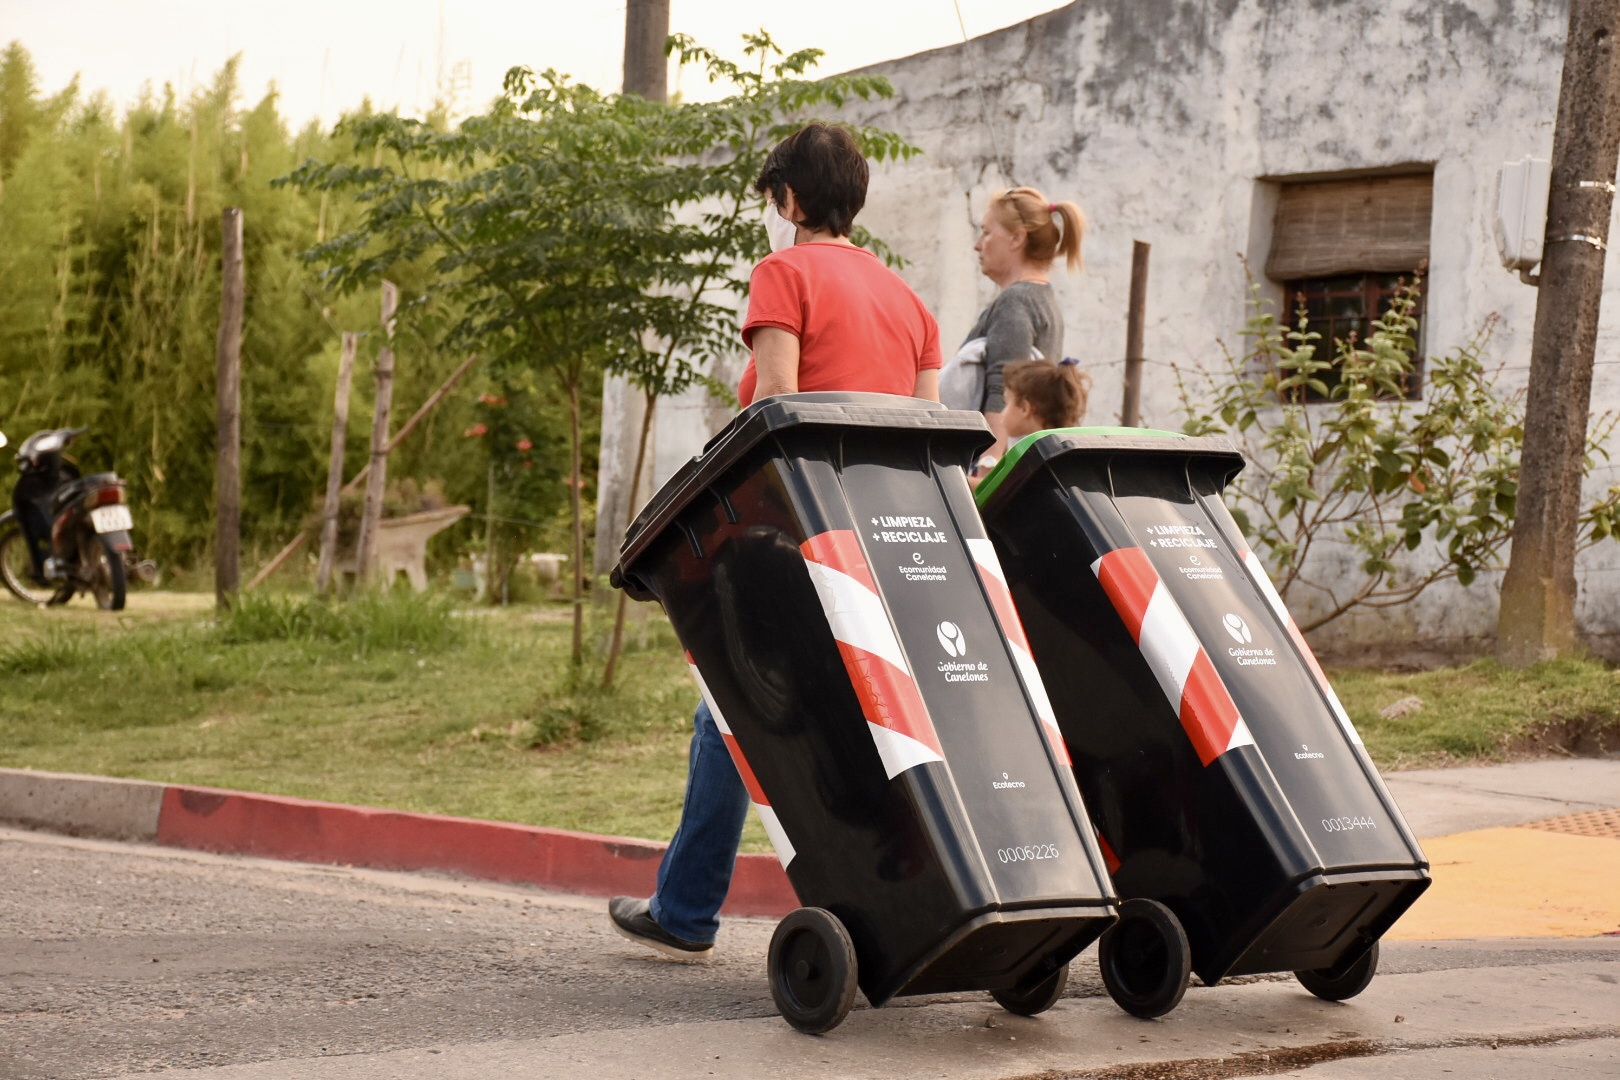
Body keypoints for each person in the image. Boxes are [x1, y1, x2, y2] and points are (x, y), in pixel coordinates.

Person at [609, 122, 942, 961]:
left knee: (730, 708)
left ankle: (685, 912)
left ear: (788, 200)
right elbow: (921, 436)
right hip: (891, 540)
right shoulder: (911, 305)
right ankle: (910, 886)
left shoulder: (781, 273)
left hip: (799, 542)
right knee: (845, 718)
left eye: (772, 198)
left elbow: (777, 419)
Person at [939, 187, 1084, 468]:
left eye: (987, 232)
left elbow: (1002, 389)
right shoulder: (1044, 299)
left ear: (1017, 238)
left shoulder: (1016, 301)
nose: (978, 244)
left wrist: (987, 470)